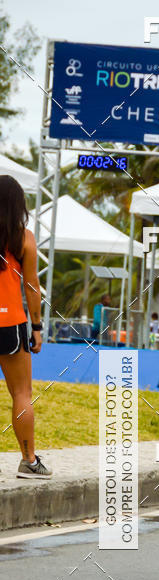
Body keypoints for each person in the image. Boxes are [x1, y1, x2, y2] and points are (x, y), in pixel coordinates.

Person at [0, 175, 52, 477]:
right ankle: (29, 461)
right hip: (10, 322)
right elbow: (32, 286)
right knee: (21, 393)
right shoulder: (24, 239)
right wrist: (37, 327)